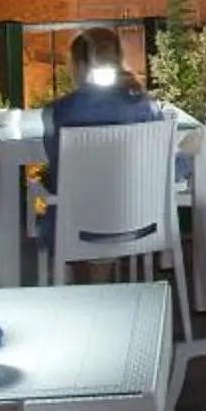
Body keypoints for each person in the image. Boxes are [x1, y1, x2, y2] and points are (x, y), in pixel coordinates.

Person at [33, 26, 164, 262]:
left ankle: (79, 281)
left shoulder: (60, 111)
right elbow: (167, 168)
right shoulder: (145, 106)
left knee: (65, 202)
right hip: (139, 223)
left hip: (76, 226)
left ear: (81, 66)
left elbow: (57, 171)